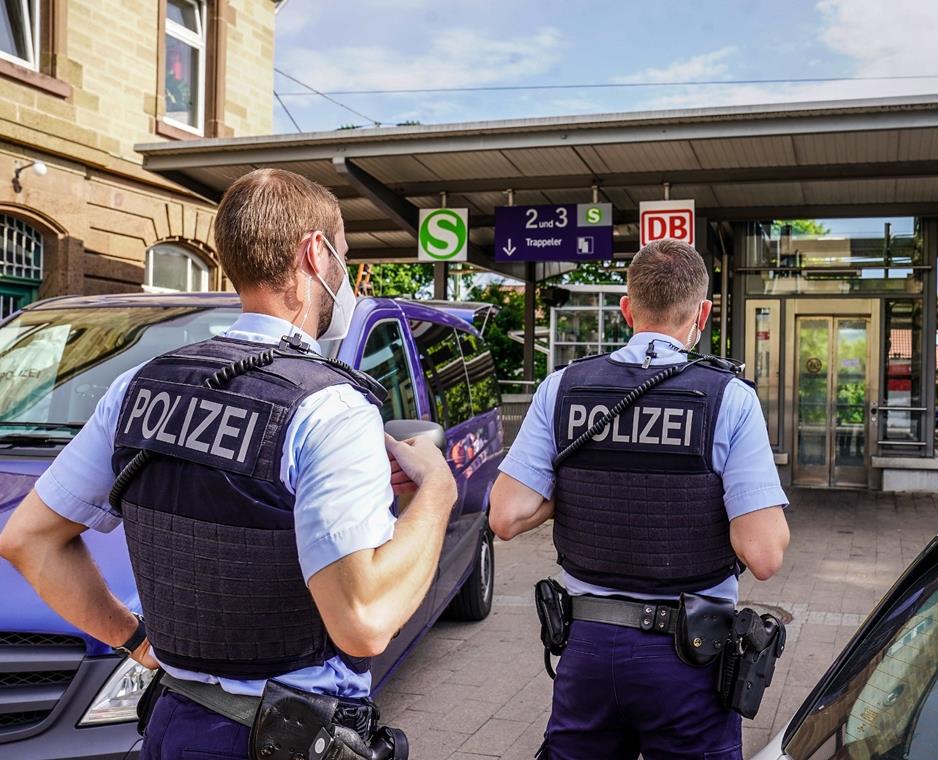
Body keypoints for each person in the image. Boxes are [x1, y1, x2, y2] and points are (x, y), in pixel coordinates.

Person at [0, 168, 457, 760]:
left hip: (171, 721)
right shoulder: (331, 406)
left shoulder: (138, 385)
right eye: (343, 255)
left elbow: (28, 540)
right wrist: (438, 492)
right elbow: (363, 621)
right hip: (282, 736)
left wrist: (138, 643)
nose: (346, 276)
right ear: (316, 254)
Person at [490, 239, 790, 760]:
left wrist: (577, 486)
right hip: (689, 660)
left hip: (587, 652)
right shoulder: (729, 397)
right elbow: (764, 556)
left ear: (628, 309)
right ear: (704, 314)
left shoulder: (562, 388)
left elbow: (506, 516)